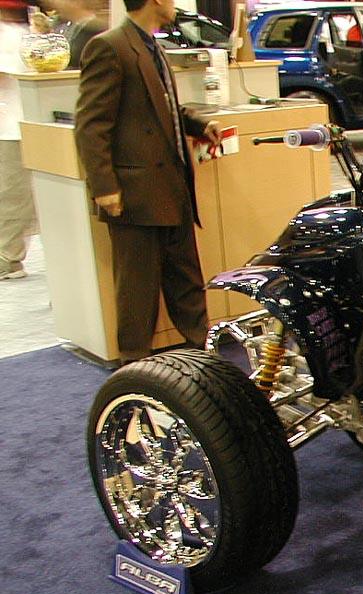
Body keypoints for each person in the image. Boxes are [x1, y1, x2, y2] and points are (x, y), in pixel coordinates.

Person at [75, 0, 221, 363]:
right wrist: (104, 187)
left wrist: (199, 124)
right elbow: (91, 126)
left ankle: (202, 357)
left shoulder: (153, 45)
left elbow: (164, 108)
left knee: (187, 281)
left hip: (173, 188)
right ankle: (134, 367)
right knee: (137, 291)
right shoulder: (109, 47)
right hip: (135, 194)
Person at [0, 0, 35, 281]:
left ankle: (8, 257)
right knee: (13, 196)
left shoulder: (18, 33)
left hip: (18, 125)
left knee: (16, 196)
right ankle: (6, 256)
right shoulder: (12, 33)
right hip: (10, 125)